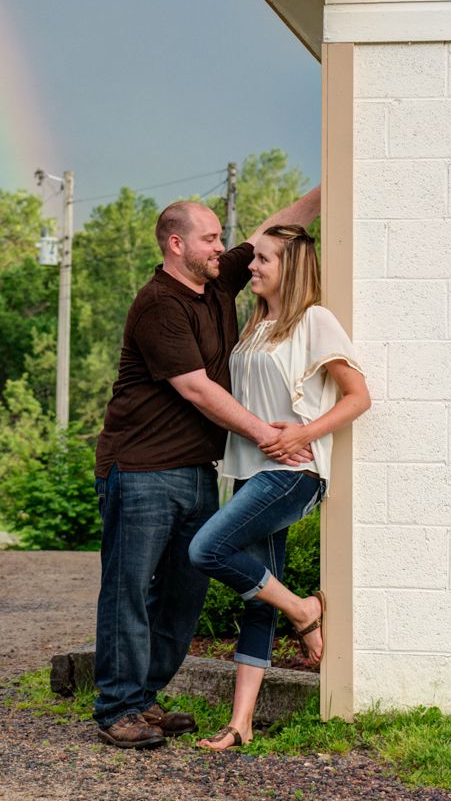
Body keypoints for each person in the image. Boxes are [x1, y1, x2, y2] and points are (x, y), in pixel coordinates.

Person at [92, 187, 321, 749]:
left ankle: (144, 701)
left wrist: (333, 179)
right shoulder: (158, 304)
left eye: (221, 237)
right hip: (141, 468)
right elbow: (195, 387)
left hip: (197, 468)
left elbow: (273, 227)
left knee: (184, 591)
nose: (224, 246)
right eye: (211, 238)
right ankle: (117, 707)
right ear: (177, 244)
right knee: (129, 590)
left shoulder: (217, 280)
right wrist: (269, 435)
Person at [187, 224, 371, 752]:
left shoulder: (314, 322)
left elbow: (358, 396)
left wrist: (306, 433)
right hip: (250, 471)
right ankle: (241, 722)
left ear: (289, 266)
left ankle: (302, 610)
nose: (252, 266)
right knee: (257, 595)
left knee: (207, 549)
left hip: (293, 473)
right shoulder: (257, 324)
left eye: (263, 259)